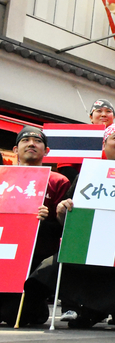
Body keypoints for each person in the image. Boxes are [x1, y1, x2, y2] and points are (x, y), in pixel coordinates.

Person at [21, 123, 115, 331]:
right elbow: (65, 219)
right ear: (105, 145)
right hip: (87, 253)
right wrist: (61, 211)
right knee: (41, 276)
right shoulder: (87, 175)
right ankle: (42, 309)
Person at [0, 127, 70, 326]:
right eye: (25, 140)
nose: (31, 144)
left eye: (37, 141)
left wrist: (47, 220)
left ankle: (32, 306)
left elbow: (64, 228)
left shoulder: (59, 181)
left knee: (17, 314)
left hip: (37, 257)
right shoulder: (3, 177)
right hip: (5, 255)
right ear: (15, 149)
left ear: (46, 151)